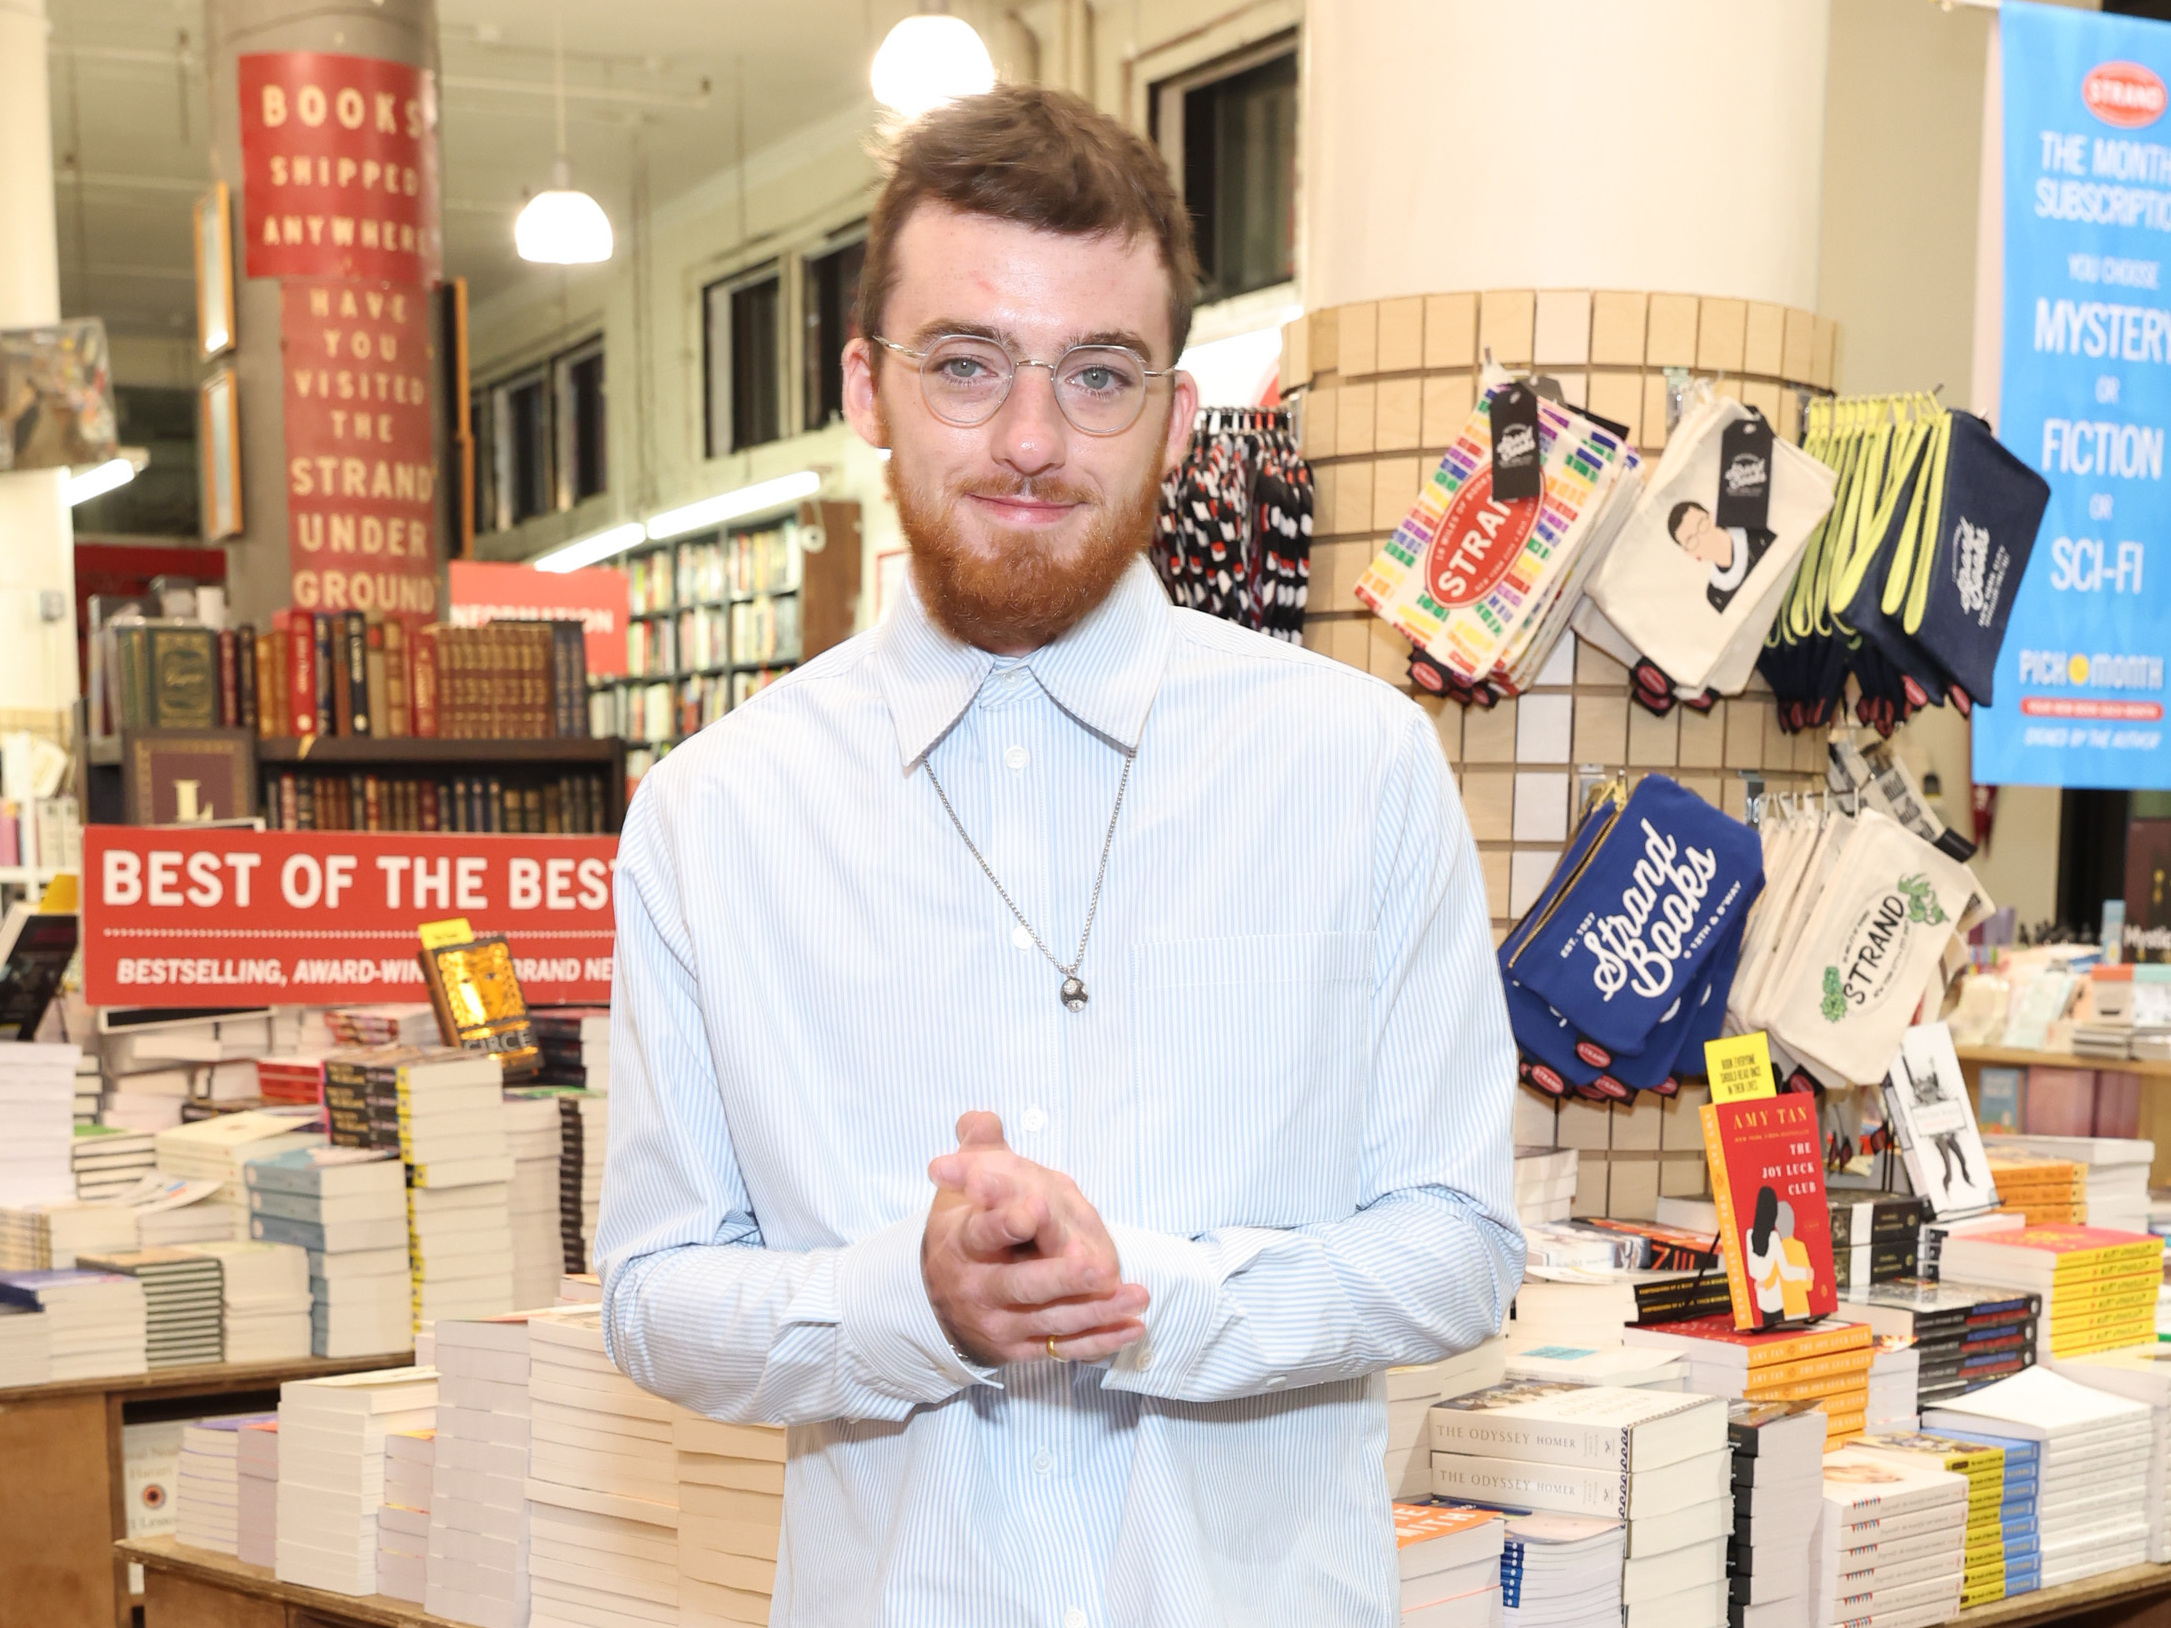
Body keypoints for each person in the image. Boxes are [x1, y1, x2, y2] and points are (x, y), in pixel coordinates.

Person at [597, 84, 1522, 1627]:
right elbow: (652, 1293)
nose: (1029, 440)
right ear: (866, 388)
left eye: (1096, 375)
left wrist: (1142, 1298)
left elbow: (1458, 1246)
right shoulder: (714, 816)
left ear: (1172, 411)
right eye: (964, 365)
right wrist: (914, 1302)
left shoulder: (1353, 768)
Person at [1667, 498, 1772, 613]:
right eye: (1691, 540)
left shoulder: (1754, 532)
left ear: (1712, 516)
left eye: (1701, 523)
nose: (1702, 538)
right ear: (1690, 553)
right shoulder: (1716, 594)